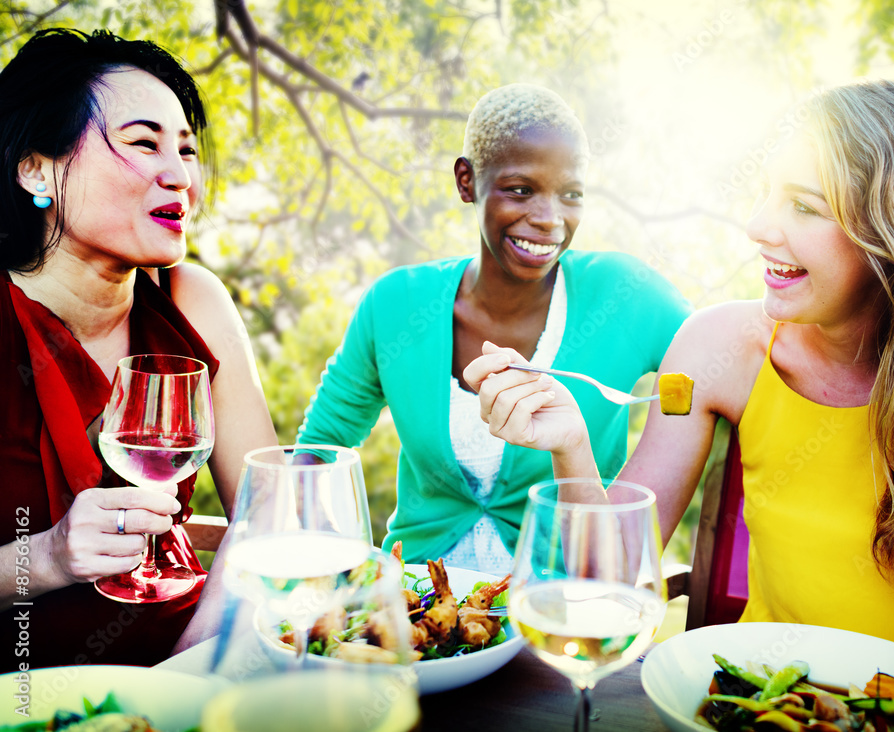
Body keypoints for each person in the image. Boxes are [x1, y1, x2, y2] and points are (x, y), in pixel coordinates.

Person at [466, 79, 894, 688]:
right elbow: (608, 581)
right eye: (765, 195)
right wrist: (570, 444)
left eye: (804, 205)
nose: (757, 226)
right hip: (769, 699)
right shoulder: (719, 347)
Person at [297, 83, 691, 574]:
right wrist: (328, 576)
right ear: (467, 181)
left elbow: (721, 363)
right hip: (417, 609)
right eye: (521, 190)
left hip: (558, 617)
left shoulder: (625, 296)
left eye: (570, 195)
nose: (549, 220)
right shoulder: (396, 305)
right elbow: (318, 451)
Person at [0, 28, 277, 670]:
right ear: (37, 168)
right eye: (144, 144)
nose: (180, 176)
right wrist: (47, 556)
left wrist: (185, 670)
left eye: (185, 150)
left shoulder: (192, 298)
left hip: (189, 665)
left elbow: (267, 513)